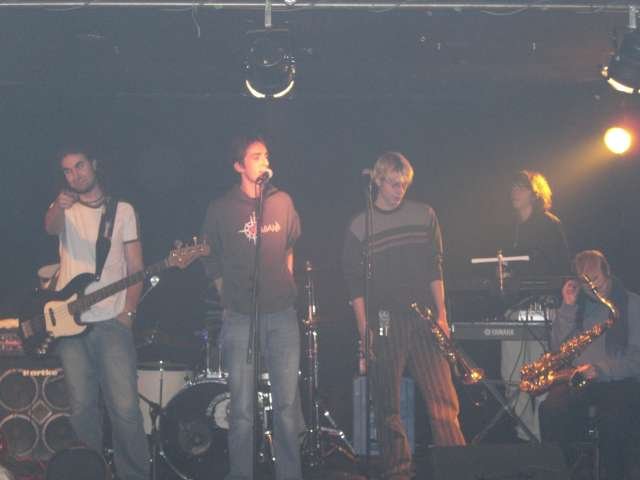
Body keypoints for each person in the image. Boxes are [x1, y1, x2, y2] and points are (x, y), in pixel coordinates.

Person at [342, 152, 465, 480]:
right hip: (384, 319)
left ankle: (458, 468)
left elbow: (435, 267)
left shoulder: (424, 215)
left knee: (443, 399)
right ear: (378, 181)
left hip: (424, 317)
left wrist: (442, 315)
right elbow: (354, 285)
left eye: (404, 184)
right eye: (394, 184)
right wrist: (364, 329)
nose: (400, 190)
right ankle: (398, 471)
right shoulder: (359, 225)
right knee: (387, 404)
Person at [201, 134, 303, 480]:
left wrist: (286, 282)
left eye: (266, 155)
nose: (264, 161)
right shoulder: (221, 208)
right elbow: (209, 257)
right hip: (240, 316)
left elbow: (290, 245)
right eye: (256, 156)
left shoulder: (282, 201)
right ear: (239, 165)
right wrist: (225, 295)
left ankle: (290, 475)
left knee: (287, 406)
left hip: (282, 314)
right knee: (242, 408)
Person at [44, 148, 150, 480]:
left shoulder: (122, 210)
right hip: (69, 326)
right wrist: (57, 206)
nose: (74, 174)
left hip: (111, 323)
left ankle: (134, 476)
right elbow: (50, 227)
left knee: (125, 410)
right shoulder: (63, 209)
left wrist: (128, 313)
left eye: (79, 166)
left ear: (93, 165)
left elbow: (136, 267)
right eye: (67, 170)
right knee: (81, 410)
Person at [539, 250, 640, 480]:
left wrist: (600, 370)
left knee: (614, 418)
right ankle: (563, 472)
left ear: (608, 272)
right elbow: (557, 350)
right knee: (550, 411)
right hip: (578, 379)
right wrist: (567, 307)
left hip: (618, 381)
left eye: (597, 281)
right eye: (587, 284)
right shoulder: (578, 305)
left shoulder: (632, 304)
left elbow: (637, 359)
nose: (593, 288)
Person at [500, 170, 570, 441]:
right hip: (515, 308)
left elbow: (561, 268)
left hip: (542, 307)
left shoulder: (550, 225)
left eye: (520, 187)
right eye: (512, 187)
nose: (514, 192)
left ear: (535, 193)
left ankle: (543, 441)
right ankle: (526, 437)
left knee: (541, 378)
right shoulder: (509, 228)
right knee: (511, 378)